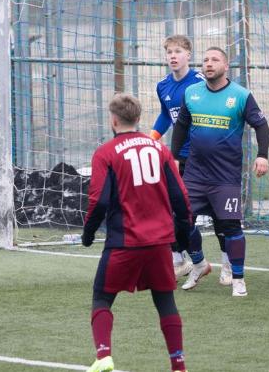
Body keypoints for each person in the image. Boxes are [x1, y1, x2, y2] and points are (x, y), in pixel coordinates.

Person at [82, 93, 192, 372]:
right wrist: (183, 229)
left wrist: (88, 233)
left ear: (113, 120)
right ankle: (179, 365)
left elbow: (99, 201)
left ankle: (104, 355)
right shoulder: (159, 149)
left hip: (124, 241)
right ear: (139, 118)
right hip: (160, 242)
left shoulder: (105, 153)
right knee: (165, 301)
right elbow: (180, 196)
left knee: (102, 297)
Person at [171, 46, 269, 297]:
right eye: (205, 60)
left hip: (225, 177)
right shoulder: (192, 93)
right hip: (194, 174)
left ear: (226, 66)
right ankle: (199, 263)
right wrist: (174, 157)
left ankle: (238, 279)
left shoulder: (241, 95)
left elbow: (261, 126)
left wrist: (262, 155)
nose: (209, 63)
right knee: (180, 221)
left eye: (215, 60)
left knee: (230, 227)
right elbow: (181, 126)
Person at [148, 34, 204, 279]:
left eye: (178, 51)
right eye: (169, 52)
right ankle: (180, 260)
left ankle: (228, 267)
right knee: (173, 210)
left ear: (188, 55)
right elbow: (165, 115)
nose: (173, 56)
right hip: (178, 157)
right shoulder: (163, 86)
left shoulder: (201, 82)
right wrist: (152, 138)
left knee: (216, 215)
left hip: (204, 156)